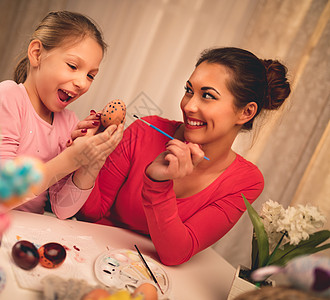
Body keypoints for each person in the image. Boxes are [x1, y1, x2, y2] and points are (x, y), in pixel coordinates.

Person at [76, 47, 291, 265]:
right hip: (91, 255)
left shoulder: (246, 181)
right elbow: (89, 213)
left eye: (207, 96)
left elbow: (176, 253)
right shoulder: (145, 130)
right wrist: (91, 156)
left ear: (246, 112)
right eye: (189, 90)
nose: (188, 105)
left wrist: (158, 184)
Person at [0, 11, 123, 219]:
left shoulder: (69, 122)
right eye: (73, 66)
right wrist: (68, 160)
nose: (82, 83)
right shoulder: (9, 97)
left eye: (90, 75)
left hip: (26, 232)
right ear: (37, 53)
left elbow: (63, 210)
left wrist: (90, 161)